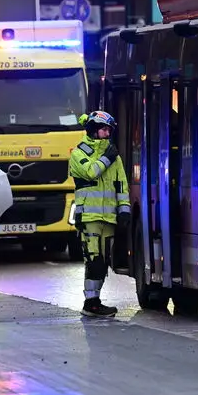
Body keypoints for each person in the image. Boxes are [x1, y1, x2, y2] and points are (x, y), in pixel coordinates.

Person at [68, 110, 129, 318]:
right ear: (93, 130)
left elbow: (121, 184)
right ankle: (90, 303)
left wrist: (124, 210)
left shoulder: (113, 156)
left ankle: (96, 301)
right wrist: (106, 158)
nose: (107, 133)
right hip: (89, 217)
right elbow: (91, 172)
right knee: (93, 260)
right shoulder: (78, 153)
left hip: (109, 217)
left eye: (109, 130)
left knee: (103, 262)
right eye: (103, 129)